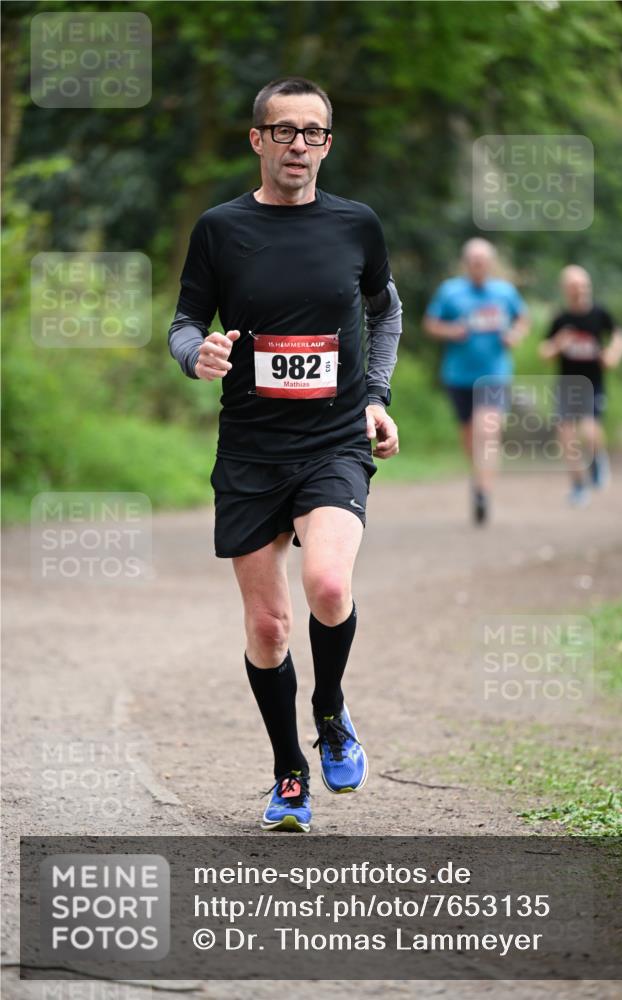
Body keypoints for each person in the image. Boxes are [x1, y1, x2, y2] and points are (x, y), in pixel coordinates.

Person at [168, 77, 401, 832]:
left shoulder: (357, 225)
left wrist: (375, 395)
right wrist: (194, 353)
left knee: (329, 585)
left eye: (313, 132)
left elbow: (384, 309)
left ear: (327, 144)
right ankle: (288, 771)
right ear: (257, 139)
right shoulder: (220, 229)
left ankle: (329, 712)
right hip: (250, 449)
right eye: (284, 130)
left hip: (332, 440)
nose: (298, 144)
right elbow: (183, 322)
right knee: (268, 628)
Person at [422, 239, 528, 524]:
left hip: (494, 375)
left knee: (487, 432)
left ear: (490, 263)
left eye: (483, 259)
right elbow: (430, 324)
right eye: (473, 259)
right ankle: (479, 477)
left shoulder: (504, 292)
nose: (478, 264)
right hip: (458, 376)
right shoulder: (450, 291)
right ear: (466, 262)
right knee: (470, 437)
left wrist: (515, 335)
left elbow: (522, 320)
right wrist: (450, 331)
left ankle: (483, 490)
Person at [540, 265, 622, 506]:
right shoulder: (561, 319)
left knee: (589, 430)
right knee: (566, 436)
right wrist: (558, 344)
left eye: (582, 285)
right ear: (565, 289)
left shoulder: (599, 314)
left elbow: (619, 336)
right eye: (573, 285)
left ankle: (597, 458)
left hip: (593, 383)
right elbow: (544, 352)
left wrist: (613, 354)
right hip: (567, 384)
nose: (579, 289)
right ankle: (578, 485)